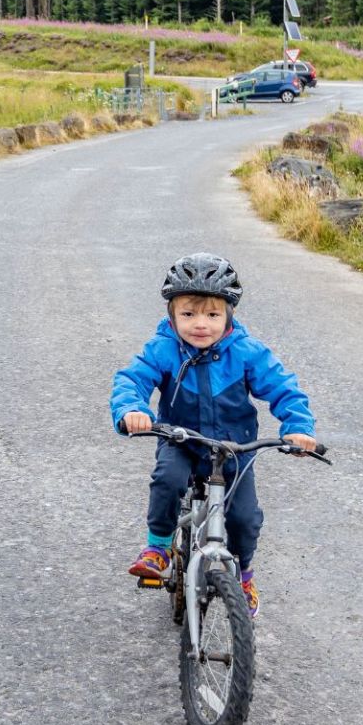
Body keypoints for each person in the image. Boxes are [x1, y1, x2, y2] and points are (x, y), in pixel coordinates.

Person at [109, 253, 317, 615]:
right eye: (188, 314)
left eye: (212, 314)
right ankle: (157, 548)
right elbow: (132, 379)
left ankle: (244, 575)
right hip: (182, 440)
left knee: (244, 518)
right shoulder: (163, 348)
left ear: (228, 316)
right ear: (172, 316)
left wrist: (297, 428)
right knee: (167, 479)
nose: (200, 324)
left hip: (235, 447)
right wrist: (132, 410)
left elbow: (284, 388)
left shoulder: (247, 352)